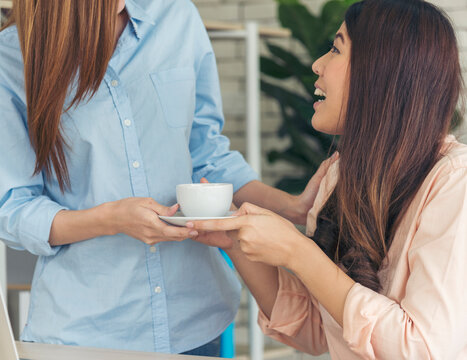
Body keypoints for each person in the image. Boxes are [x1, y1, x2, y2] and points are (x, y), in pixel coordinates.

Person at [0, 0, 334, 356]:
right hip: (87, 334)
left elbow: (207, 156)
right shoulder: (1, 64)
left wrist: (293, 207)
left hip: (195, 321)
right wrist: (110, 220)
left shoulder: (177, 17)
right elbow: (13, 209)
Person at [187, 0, 467, 358]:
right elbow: (318, 328)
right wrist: (233, 240)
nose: (317, 64)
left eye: (336, 49)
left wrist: (299, 251)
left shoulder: (454, 183)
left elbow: (423, 349)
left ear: (380, 72)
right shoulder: (339, 177)